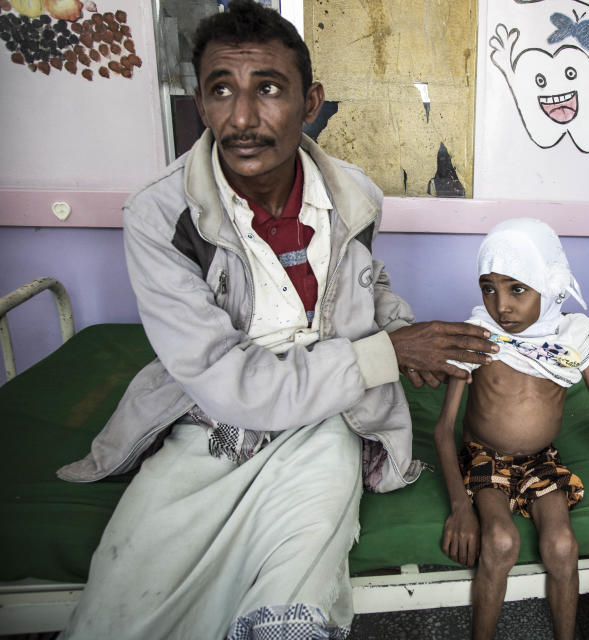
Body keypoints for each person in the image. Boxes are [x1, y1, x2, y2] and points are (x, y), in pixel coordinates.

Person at [55, 2, 497, 638]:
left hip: (329, 415)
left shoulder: (353, 196)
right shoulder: (159, 217)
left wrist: (408, 332)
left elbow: (364, 281)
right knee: (130, 597)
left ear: (309, 100)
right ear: (201, 104)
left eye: (267, 89)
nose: (241, 118)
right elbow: (223, 380)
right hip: (207, 421)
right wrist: (391, 354)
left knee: (297, 583)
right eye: (221, 91)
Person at [434, 218, 589, 640]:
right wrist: (459, 507)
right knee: (501, 541)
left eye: (517, 288)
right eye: (488, 287)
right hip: (485, 455)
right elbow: (443, 428)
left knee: (563, 546)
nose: (501, 305)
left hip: (542, 460)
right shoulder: (477, 336)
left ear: (550, 283)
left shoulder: (570, 339)